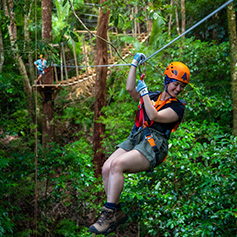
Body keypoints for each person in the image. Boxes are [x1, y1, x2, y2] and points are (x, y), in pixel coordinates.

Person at [89, 53, 190, 235]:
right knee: (106, 168)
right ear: (167, 80)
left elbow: (154, 116)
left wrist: (144, 94)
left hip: (154, 145)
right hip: (137, 137)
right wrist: (134, 64)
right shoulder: (152, 95)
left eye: (182, 86)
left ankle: (108, 213)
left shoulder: (178, 107)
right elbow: (130, 89)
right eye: (176, 84)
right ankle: (116, 211)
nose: (178, 89)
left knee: (117, 165)